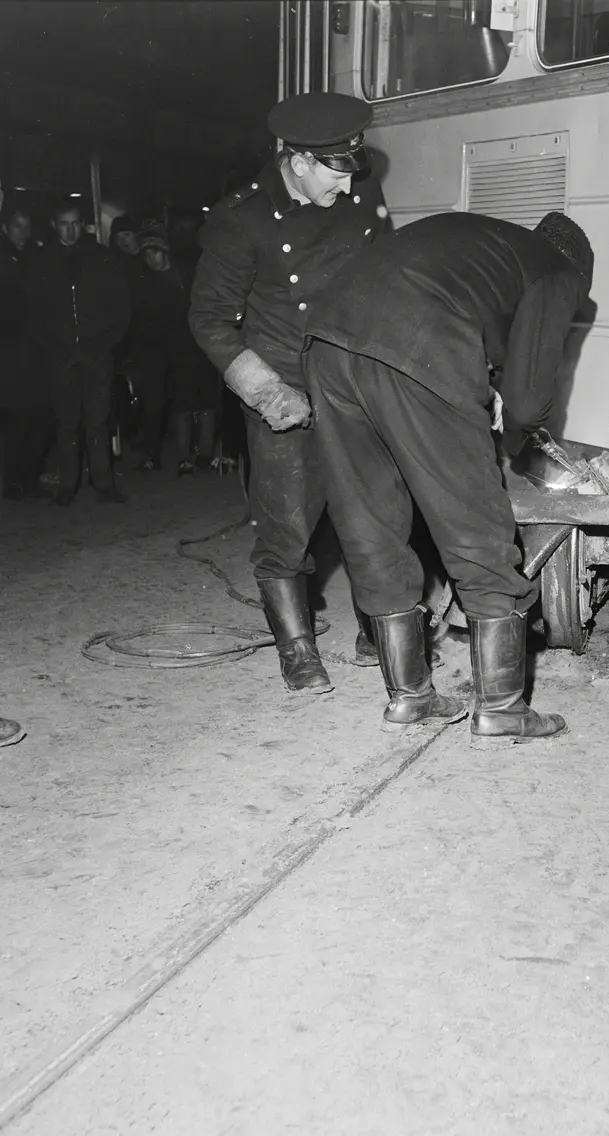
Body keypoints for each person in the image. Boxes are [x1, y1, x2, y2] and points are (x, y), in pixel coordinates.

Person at [303, 210, 594, 745]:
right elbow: (529, 403)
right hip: (416, 344)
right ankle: (503, 706)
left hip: (327, 342)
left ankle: (410, 697)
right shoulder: (560, 272)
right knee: (477, 526)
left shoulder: (487, 247)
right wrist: (515, 438)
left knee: (369, 518)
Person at [189, 92, 389, 693]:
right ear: (298, 160)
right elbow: (210, 319)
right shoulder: (241, 217)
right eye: (336, 168)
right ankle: (297, 651)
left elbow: (385, 282)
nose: (348, 181)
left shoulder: (359, 194)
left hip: (353, 381)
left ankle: (374, 628)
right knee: (287, 528)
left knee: (376, 515)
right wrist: (267, 392)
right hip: (285, 389)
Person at [23, 197, 131, 505]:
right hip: (60, 355)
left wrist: (108, 341)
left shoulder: (101, 257)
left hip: (97, 353)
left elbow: (121, 306)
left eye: (74, 224)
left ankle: (103, 484)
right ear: (54, 225)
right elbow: (34, 313)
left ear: (81, 225)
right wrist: (51, 346)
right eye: (63, 224)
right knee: (66, 422)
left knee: (98, 419)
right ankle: (66, 486)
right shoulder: (42, 261)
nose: (69, 232)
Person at [133, 220, 220, 473]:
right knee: (181, 402)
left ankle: (204, 453)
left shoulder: (186, 274)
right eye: (147, 253)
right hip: (167, 349)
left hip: (197, 344)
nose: (151, 258)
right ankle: (183, 456)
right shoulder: (146, 281)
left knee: (206, 399)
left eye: (155, 251)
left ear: (165, 250)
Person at [0, 192, 51, 499]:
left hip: (37, 350)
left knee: (40, 417)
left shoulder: (37, 258)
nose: (22, 230)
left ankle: (30, 477)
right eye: (16, 225)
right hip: (10, 350)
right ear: (6, 228)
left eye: (26, 225)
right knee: (17, 419)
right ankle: (14, 482)